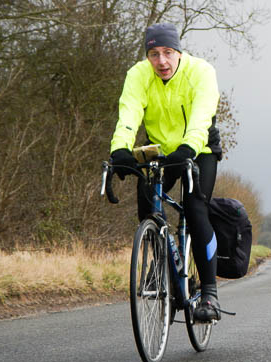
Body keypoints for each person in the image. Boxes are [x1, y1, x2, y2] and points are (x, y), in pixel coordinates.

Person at [109, 23, 222, 321]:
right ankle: (160, 267)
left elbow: (202, 116)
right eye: (154, 54)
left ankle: (209, 293)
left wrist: (188, 148)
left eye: (168, 53)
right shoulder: (138, 75)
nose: (161, 61)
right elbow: (129, 112)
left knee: (196, 210)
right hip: (159, 150)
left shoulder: (201, 72)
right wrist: (119, 149)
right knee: (148, 205)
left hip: (199, 150)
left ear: (178, 52)